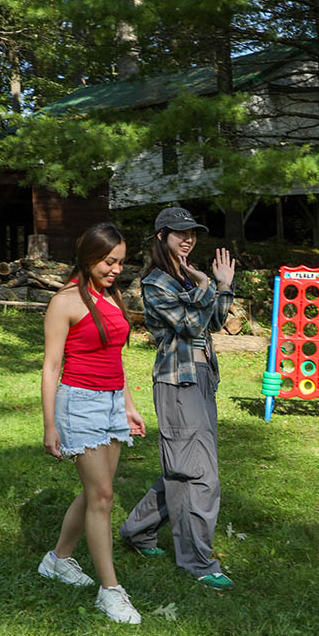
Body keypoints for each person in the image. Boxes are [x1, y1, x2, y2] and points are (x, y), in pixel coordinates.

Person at [119, 206, 237, 591]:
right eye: (178, 232)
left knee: (185, 466)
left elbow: (216, 321)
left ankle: (138, 530)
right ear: (160, 237)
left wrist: (223, 285)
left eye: (192, 232)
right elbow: (189, 325)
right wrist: (210, 286)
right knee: (199, 475)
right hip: (177, 381)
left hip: (202, 378)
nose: (187, 239)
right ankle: (198, 562)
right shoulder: (155, 282)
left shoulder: (189, 277)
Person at [38, 221, 145, 624]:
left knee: (96, 492)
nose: (116, 269)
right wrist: (50, 425)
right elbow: (50, 367)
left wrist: (129, 405)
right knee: (102, 497)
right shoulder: (64, 302)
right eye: (108, 261)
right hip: (78, 404)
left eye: (120, 262)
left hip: (113, 402)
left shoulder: (111, 296)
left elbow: (115, 356)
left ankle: (58, 559)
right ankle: (111, 591)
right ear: (88, 257)